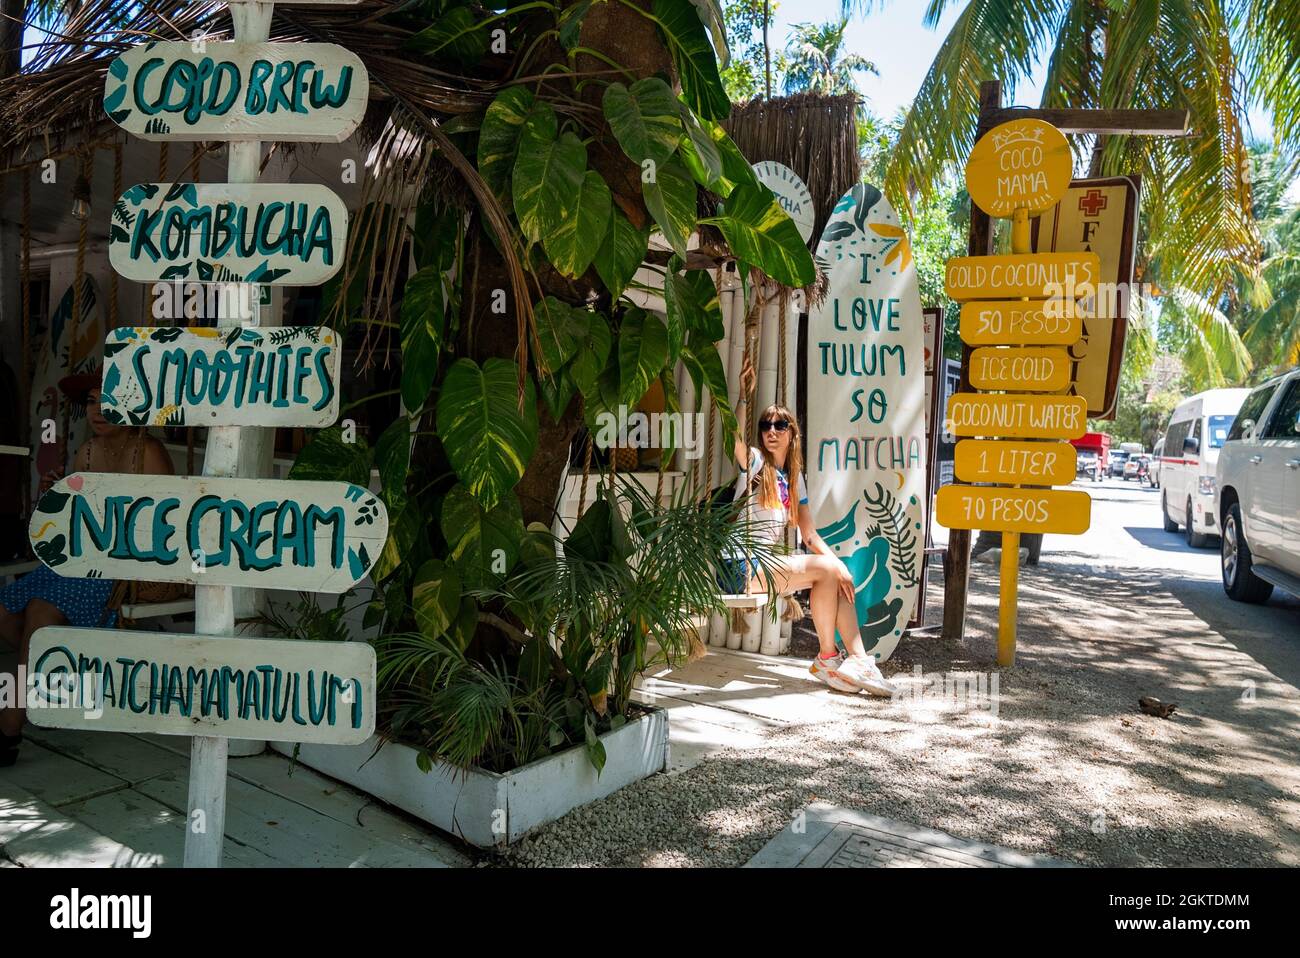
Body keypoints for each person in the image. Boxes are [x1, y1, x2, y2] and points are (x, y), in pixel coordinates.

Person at [0, 371, 173, 766]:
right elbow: (78, 520)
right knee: (5, 613)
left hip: (125, 565)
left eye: (109, 401)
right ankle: (54, 686)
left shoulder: (147, 452)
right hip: (84, 559)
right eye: (93, 401)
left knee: (41, 615)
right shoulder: (89, 452)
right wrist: (54, 494)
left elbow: (166, 525)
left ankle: (10, 723)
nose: (99, 410)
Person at [727, 359, 894, 697]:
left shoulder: (795, 478)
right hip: (739, 565)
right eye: (765, 425)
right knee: (827, 571)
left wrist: (842, 567)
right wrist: (744, 397)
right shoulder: (758, 463)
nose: (771, 431)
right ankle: (841, 660)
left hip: (761, 567)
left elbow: (810, 535)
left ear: (792, 433)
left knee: (834, 578)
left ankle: (843, 659)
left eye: (780, 425)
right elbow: (736, 442)